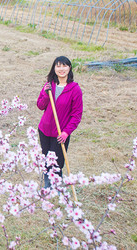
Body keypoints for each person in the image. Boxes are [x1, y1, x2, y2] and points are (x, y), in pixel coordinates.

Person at [37, 56, 83, 189]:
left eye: (64, 66)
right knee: (46, 160)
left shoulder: (74, 89)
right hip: (44, 129)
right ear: (54, 68)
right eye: (58, 66)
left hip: (60, 133)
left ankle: (57, 190)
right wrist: (46, 94)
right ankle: (47, 187)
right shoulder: (49, 85)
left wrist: (66, 132)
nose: (61, 69)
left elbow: (76, 115)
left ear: (69, 68)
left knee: (57, 162)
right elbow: (40, 106)